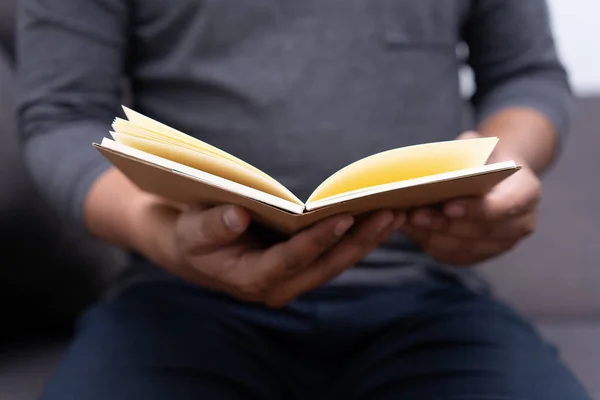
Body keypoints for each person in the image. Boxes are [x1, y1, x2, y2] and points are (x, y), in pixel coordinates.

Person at [16, 0, 590, 398]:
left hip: (422, 296)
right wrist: (157, 231)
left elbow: (527, 74)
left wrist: (502, 169)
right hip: (178, 298)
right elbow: (60, 116)